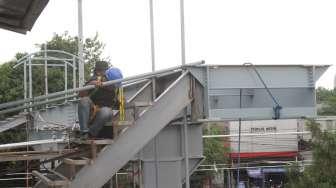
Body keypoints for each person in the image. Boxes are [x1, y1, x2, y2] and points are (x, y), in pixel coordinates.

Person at [77, 61, 117, 138]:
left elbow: (119, 101)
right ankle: (84, 132)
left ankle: (90, 133)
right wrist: (91, 84)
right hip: (93, 110)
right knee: (84, 100)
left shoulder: (113, 82)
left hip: (106, 111)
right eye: (102, 71)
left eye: (105, 71)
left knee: (105, 111)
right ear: (98, 72)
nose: (104, 73)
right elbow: (80, 95)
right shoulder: (93, 80)